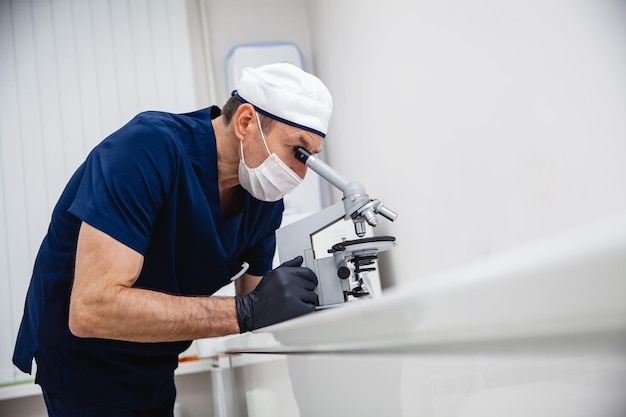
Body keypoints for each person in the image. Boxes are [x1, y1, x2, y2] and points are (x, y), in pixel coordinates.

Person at [12, 62, 333, 416]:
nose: (301, 174)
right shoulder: (147, 150)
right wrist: (247, 311)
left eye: (311, 159)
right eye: (297, 152)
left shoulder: (261, 199)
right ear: (245, 123)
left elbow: (261, 300)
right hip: (83, 361)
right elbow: (92, 309)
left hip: (156, 357)